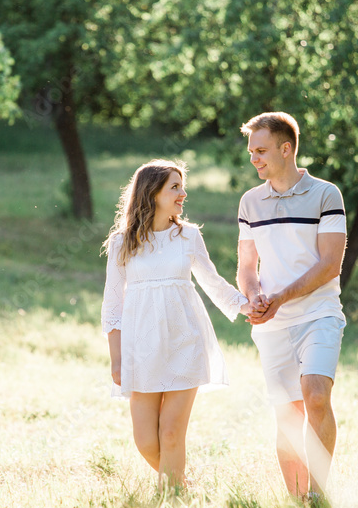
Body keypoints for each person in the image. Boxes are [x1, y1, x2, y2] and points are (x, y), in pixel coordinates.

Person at [101, 159, 251, 490]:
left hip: (185, 341)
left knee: (170, 433)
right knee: (145, 441)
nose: (183, 193)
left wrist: (247, 306)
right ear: (152, 192)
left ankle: (172, 502)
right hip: (141, 348)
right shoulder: (122, 242)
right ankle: (184, 486)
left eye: (182, 186)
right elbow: (113, 304)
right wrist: (117, 359)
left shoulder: (188, 236)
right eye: (175, 187)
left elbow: (212, 282)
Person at [236, 112, 348, 508]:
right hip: (272, 325)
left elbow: (330, 264)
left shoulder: (325, 194)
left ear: (286, 148)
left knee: (315, 395)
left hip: (318, 314)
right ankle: (298, 504)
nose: (254, 159)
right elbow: (247, 267)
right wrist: (253, 296)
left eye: (261, 150)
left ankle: (317, 495)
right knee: (288, 413)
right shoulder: (250, 201)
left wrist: (280, 297)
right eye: (251, 152)